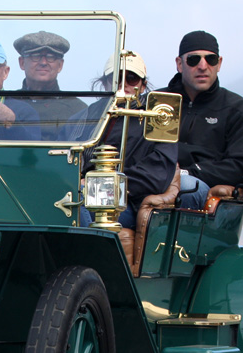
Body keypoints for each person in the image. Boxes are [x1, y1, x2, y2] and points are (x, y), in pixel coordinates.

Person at [61, 52, 177, 230]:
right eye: (116, 78)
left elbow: (156, 176)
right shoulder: (83, 117)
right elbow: (61, 158)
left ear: (143, 85)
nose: (123, 85)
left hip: (126, 204)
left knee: (76, 203)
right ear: (105, 82)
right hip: (78, 191)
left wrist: (97, 186)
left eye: (131, 78)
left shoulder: (157, 119)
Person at [164, 30, 243, 207]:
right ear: (179, 64)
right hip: (153, 179)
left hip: (200, 189)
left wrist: (186, 173)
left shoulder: (241, 111)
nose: (203, 66)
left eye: (211, 59)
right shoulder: (156, 104)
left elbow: (238, 166)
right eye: (193, 60)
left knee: (187, 186)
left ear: (219, 63)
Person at [12, 31, 86, 140]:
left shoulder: (79, 110)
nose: (43, 62)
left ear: (60, 65)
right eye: (35, 56)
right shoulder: (6, 104)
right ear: (22, 62)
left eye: (51, 57)